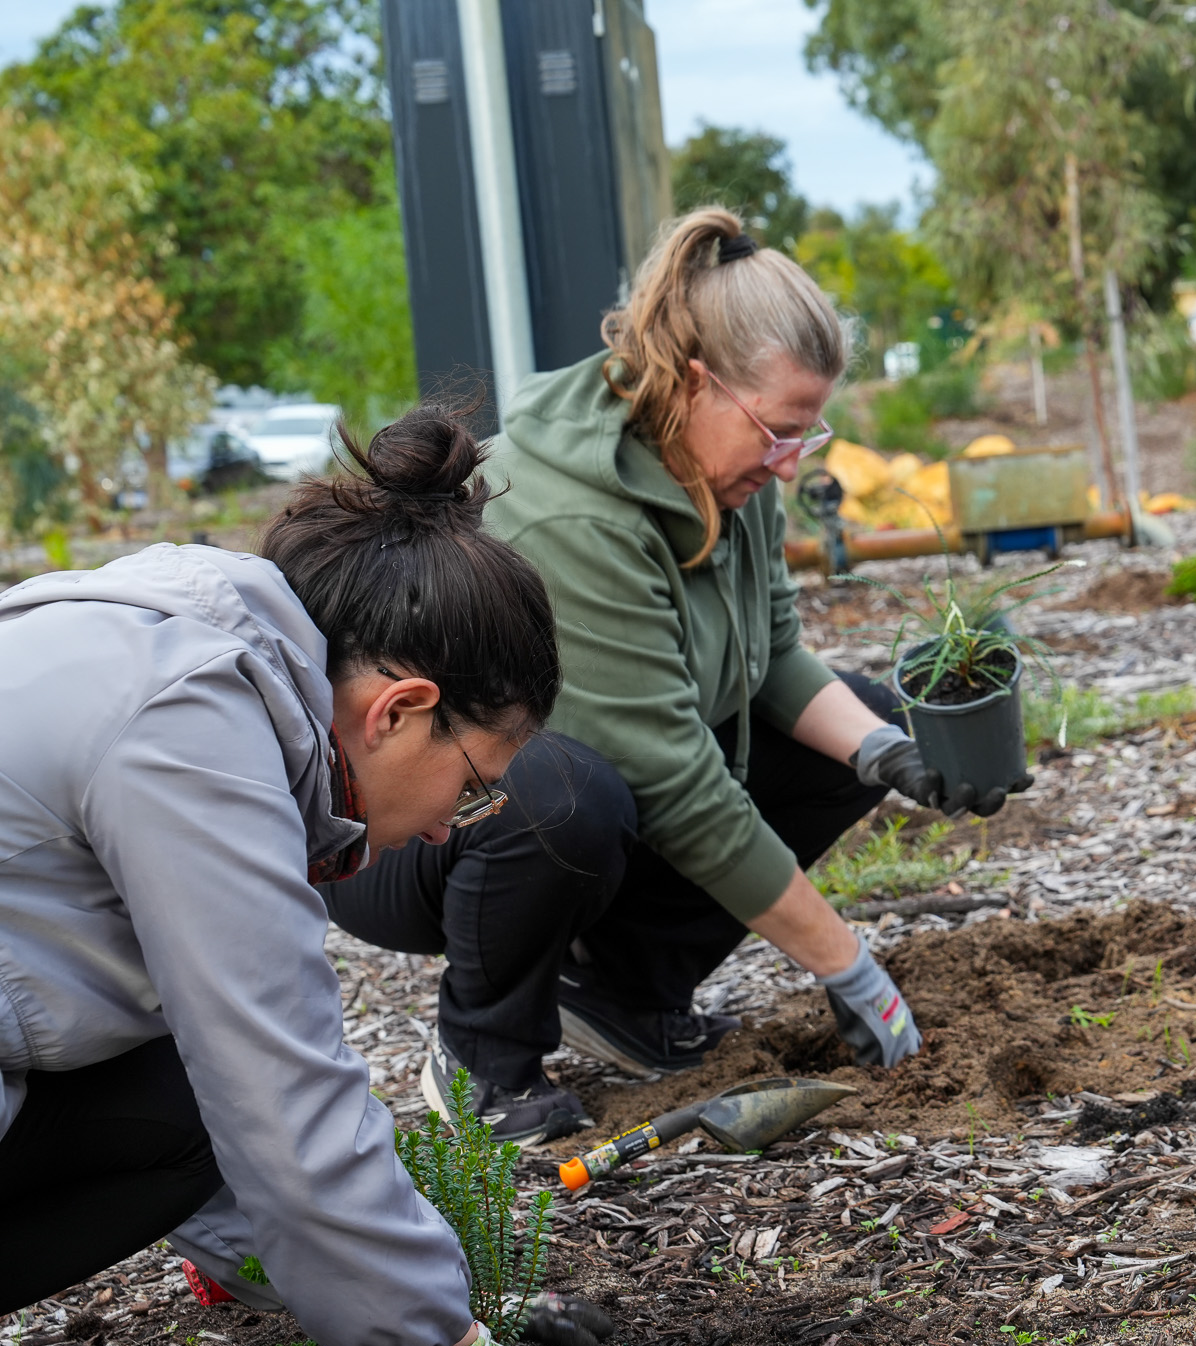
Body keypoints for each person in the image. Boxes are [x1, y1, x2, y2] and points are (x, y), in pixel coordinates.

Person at [323, 206, 1030, 1144]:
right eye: (779, 431)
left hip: (534, 794)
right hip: (398, 817)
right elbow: (676, 782)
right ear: (697, 382)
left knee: (853, 717)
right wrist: (849, 967)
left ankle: (622, 995)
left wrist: (888, 754)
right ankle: (483, 1063)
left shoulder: (725, 470)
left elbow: (772, 657)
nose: (788, 465)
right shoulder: (580, 513)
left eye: (805, 437)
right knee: (568, 793)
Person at [0, 408, 562, 1346]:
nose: (442, 827)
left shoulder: (183, 631)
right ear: (399, 710)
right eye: (470, 786)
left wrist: (446, 1298)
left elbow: (210, 1101)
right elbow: (278, 1096)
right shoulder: (189, 729)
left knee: (184, 1083)